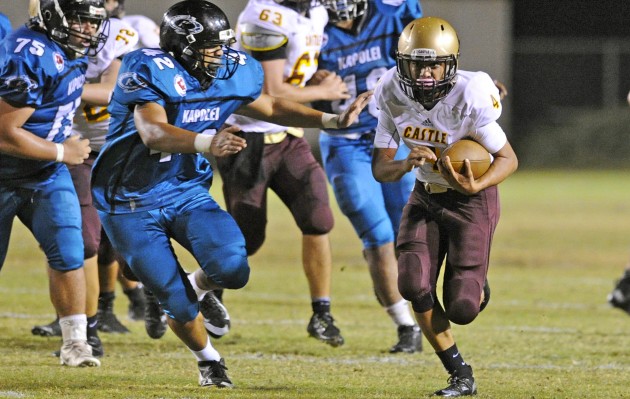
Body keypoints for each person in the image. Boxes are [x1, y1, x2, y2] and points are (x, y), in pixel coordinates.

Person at [90, 0, 369, 387]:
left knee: (233, 267)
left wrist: (331, 119)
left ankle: (194, 286)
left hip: (184, 189)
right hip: (130, 200)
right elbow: (153, 131)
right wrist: (208, 142)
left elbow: (269, 104)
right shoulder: (149, 68)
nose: (221, 54)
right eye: (211, 46)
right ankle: (210, 361)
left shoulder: (230, 71)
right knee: (176, 302)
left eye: (223, 45)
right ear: (182, 46)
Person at [371, 17, 518, 396]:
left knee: (463, 309)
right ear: (402, 64)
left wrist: (477, 182)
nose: (425, 73)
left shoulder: (470, 94)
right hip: (424, 196)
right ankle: (459, 373)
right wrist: (405, 163)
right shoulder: (389, 90)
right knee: (412, 284)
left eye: (434, 63)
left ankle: (475, 282)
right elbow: (380, 168)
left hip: (472, 202)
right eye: (417, 64)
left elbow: (508, 159)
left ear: (450, 64)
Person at [213, 0, 350, 348]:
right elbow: (270, 93)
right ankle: (206, 291)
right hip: (247, 138)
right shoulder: (263, 16)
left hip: (289, 137)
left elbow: (292, 71)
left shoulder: (315, 12)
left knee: (318, 217)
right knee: (248, 238)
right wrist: (322, 92)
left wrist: (310, 76)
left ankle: (322, 313)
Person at [0, 0, 109, 367]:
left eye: (93, 23)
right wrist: (63, 152)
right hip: (5, 170)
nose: (89, 30)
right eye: (81, 20)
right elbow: (2, 132)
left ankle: (76, 344)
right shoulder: (30, 53)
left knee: (69, 250)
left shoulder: (66, 49)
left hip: (44, 173)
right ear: (55, 17)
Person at [312, 0, 423, 354]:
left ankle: (441, 294)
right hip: (344, 142)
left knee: (413, 225)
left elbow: (427, 57)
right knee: (375, 231)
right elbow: (283, 83)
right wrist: (311, 86)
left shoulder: (392, 14)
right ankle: (406, 326)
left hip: (394, 135)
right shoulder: (310, 28)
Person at [30, 0, 140, 341]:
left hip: (120, 149)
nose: (89, 24)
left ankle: (138, 299)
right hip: (76, 149)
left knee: (124, 238)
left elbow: (111, 90)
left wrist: (56, 91)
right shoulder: (44, 40)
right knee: (80, 241)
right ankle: (85, 327)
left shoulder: (120, 35)